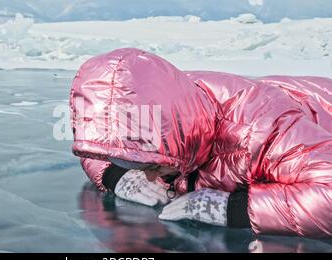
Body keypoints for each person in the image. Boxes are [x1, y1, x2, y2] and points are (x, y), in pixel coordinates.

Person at [70, 48, 332, 238]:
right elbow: (99, 145)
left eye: (151, 167)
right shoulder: (158, 99)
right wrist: (117, 175)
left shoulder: (262, 129)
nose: (149, 180)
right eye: (139, 166)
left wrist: (235, 208)